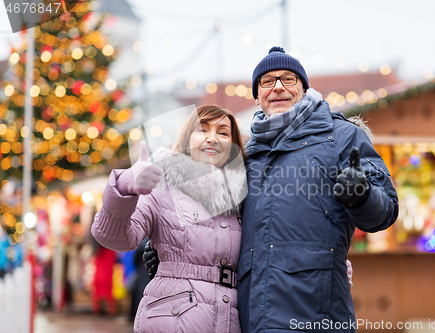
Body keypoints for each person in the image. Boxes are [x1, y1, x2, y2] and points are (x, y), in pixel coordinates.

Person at [144, 46, 398, 332]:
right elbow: (222, 223)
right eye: (267, 81)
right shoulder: (246, 154)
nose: (278, 87)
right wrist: (175, 256)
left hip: (315, 314)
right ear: (257, 96)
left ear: (303, 88)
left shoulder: (340, 137)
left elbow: (385, 211)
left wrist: (363, 196)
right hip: (254, 318)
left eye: (288, 79)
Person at [91, 105, 248, 333]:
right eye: (203, 129)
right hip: (172, 318)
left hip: (229, 320)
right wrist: (124, 188)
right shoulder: (162, 185)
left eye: (223, 133)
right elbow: (114, 237)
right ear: (186, 140)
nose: (212, 138)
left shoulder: (243, 198)